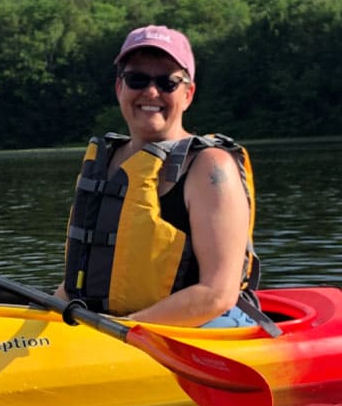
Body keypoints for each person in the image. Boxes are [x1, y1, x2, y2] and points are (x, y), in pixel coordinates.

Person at [59, 25, 272, 330]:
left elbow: (217, 293)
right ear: (119, 87)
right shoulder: (106, 164)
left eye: (167, 82)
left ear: (188, 93)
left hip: (202, 328)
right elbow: (77, 283)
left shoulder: (210, 168)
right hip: (114, 328)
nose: (150, 92)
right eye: (137, 79)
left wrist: (121, 329)